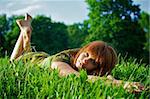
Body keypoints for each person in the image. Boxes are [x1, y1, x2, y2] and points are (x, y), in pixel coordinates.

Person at [10, 13, 144, 93]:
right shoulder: (60, 62)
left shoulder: (75, 58)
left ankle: (27, 31)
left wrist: (112, 79)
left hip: (43, 57)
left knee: (28, 50)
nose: (85, 60)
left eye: (93, 61)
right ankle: (25, 32)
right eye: (86, 55)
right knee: (13, 61)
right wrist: (121, 84)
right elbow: (75, 77)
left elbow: (106, 75)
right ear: (83, 50)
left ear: (98, 68)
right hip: (31, 61)